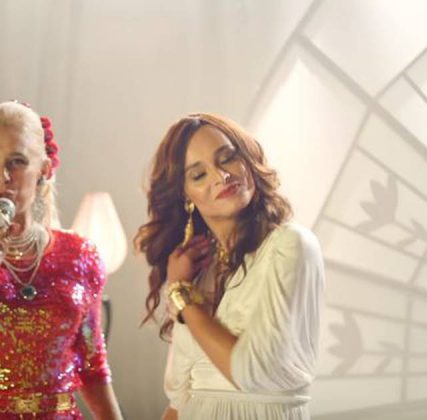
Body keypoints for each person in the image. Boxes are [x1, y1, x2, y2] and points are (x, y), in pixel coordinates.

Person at [0, 101, 122, 419]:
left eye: (17, 161)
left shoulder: (80, 256)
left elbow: (92, 366)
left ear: (44, 169)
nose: (2, 176)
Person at [135, 113, 324, 420]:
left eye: (228, 158)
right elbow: (179, 398)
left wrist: (181, 295)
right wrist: (183, 287)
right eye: (199, 174)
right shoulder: (196, 270)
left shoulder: (290, 245)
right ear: (186, 196)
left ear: (247, 160)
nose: (221, 176)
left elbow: (252, 372)